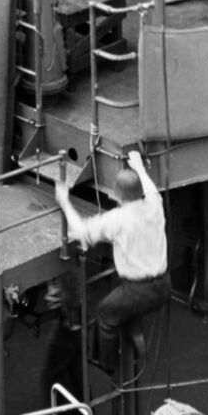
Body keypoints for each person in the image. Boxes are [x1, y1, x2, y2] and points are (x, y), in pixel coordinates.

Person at [56, 149, 169, 373]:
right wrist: (138, 167)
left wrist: (64, 201)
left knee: (104, 314)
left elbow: (81, 231)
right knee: (117, 304)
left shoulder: (116, 219)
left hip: (138, 291)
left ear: (116, 195)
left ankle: (107, 365)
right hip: (164, 286)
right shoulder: (155, 204)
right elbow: (150, 188)